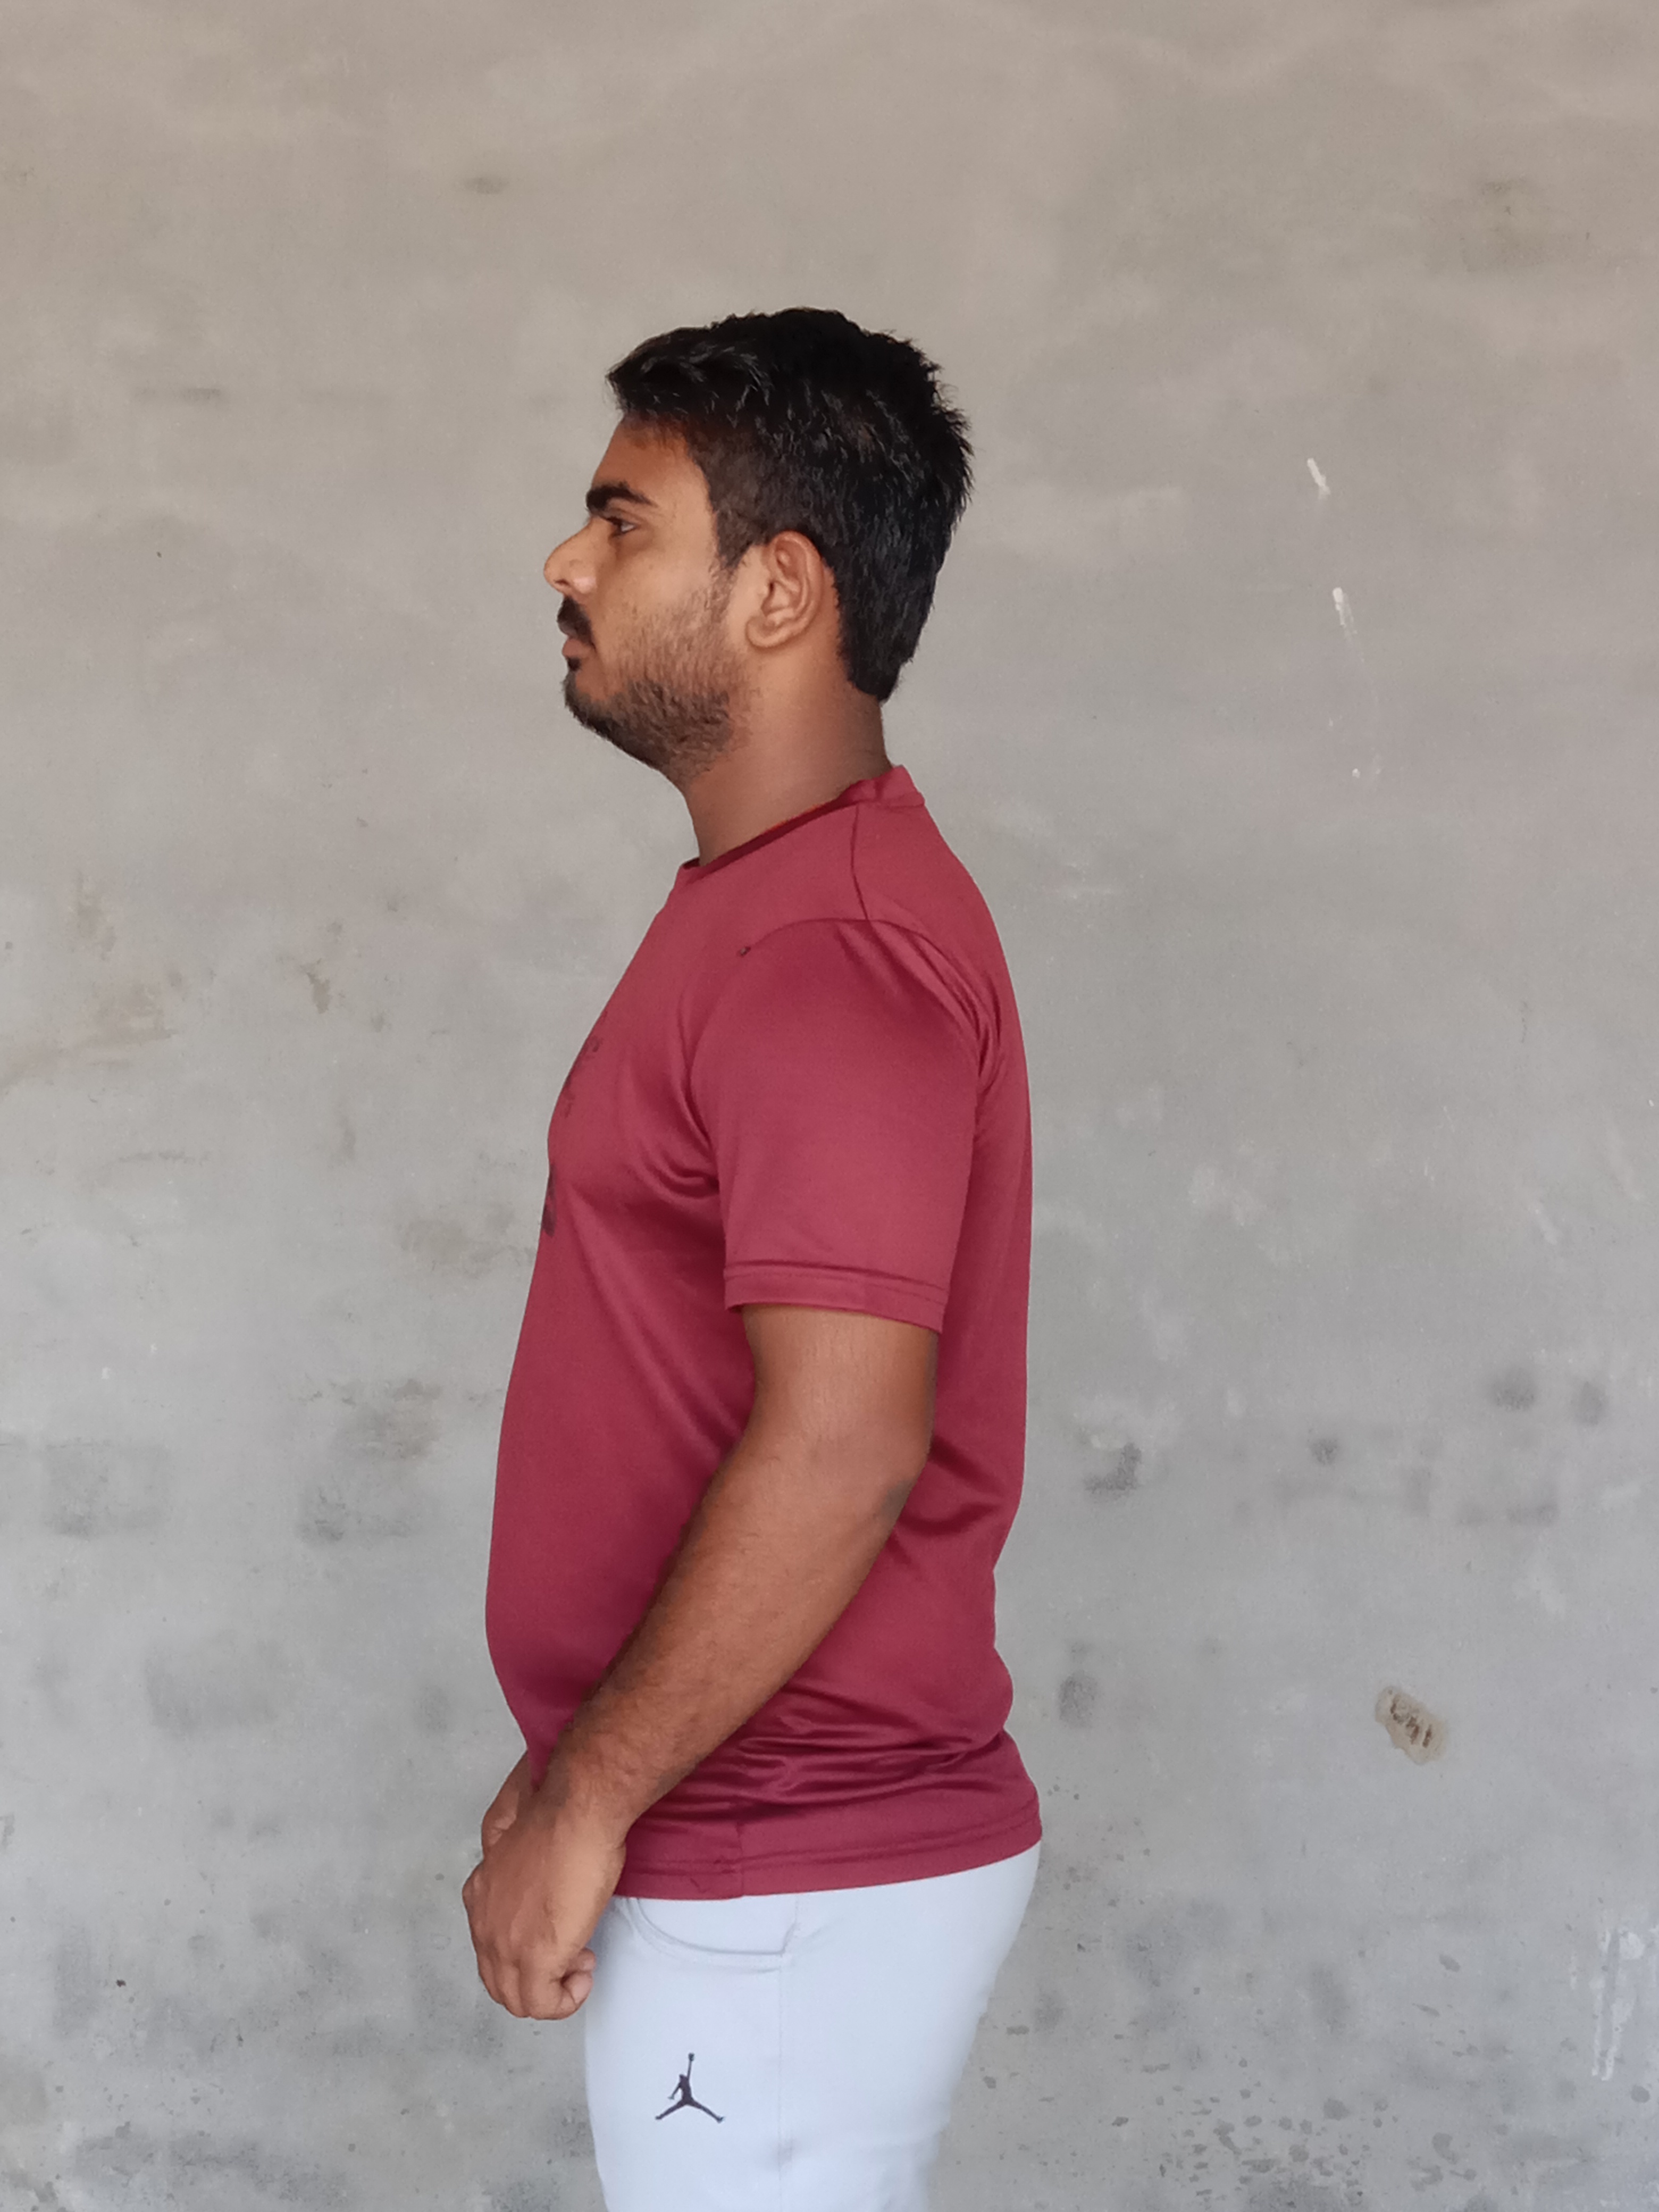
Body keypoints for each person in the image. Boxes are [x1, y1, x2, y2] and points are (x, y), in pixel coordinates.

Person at [462, 307, 1041, 2211]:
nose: (567, 561)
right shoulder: (768, 906)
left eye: (622, 521)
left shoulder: (827, 950)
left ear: (780, 591)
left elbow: (845, 1440)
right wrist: (582, 1761)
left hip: (792, 1864)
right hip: (750, 1844)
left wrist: (596, 1790)